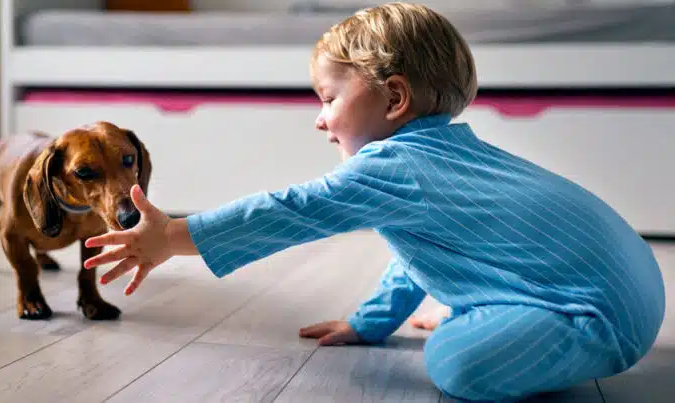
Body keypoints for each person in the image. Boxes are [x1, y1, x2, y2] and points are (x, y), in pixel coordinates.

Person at [82, 3, 665, 401]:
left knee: (453, 363)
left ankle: (489, 315)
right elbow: (417, 253)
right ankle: (495, 308)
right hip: (631, 290)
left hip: (593, 320)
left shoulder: (395, 166)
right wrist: (370, 323)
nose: (320, 119)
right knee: (455, 303)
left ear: (393, 98)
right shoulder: (445, 156)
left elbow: (292, 210)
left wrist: (174, 236)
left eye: (330, 97)